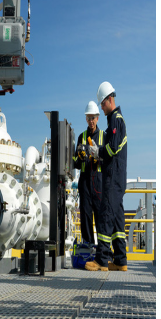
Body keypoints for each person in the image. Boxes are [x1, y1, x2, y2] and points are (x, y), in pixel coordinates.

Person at [95, 81, 129, 271]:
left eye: (102, 103)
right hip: (117, 176)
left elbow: (112, 148)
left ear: (110, 99)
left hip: (113, 177)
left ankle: (101, 260)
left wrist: (98, 152)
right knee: (116, 219)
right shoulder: (115, 121)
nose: (101, 107)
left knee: (106, 214)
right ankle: (120, 260)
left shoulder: (116, 120)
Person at [74, 101, 104, 269]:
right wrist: (80, 156)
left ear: (97, 118)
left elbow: (106, 160)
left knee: (100, 219)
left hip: (98, 182)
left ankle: (100, 255)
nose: (90, 121)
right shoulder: (81, 136)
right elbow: (75, 162)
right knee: (85, 218)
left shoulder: (103, 136)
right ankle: (87, 252)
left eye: (93, 118)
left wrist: (97, 157)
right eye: (88, 118)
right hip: (85, 182)